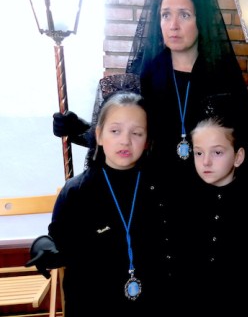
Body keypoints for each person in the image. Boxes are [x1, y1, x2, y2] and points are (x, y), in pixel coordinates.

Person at [52, 0, 248, 180]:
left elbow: (241, 140)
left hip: (209, 190)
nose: (173, 25)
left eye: (184, 15)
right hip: (154, 187)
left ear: (201, 21)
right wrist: (78, 129)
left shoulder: (221, 75)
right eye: (166, 15)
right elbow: (124, 136)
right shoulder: (145, 73)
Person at [27, 87, 169, 317]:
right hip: (92, 303)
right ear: (99, 135)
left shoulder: (161, 188)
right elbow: (59, 240)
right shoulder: (76, 191)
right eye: (115, 131)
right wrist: (43, 245)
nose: (125, 141)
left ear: (147, 140)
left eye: (137, 133)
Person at [175, 92, 248, 315]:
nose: (206, 162)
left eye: (217, 152)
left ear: (238, 156)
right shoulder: (185, 205)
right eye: (199, 153)